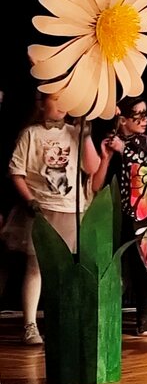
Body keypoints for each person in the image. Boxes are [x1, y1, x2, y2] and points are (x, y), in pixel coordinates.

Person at [6, 91, 101, 345]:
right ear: (41, 103)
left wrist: (86, 136)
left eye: (66, 100)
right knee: (36, 267)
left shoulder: (73, 132)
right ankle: (30, 324)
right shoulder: (31, 134)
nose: (62, 106)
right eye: (56, 100)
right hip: (42, 210)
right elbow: (16, 172)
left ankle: (63, 323)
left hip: (71, 210)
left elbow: (92, 167)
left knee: (67, 270)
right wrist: (30, 200)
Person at [92, 95, 147, 336]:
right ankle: (107, 316)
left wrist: (124, 150)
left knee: (141, 266)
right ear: (123, 119)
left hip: (142, 216)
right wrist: (107, 156)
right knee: (112, 266)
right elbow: (96, 183)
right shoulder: (108, 141)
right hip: (113, 213)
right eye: (138, 115)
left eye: (146, 114)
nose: (145, 119)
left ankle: (143, 317)